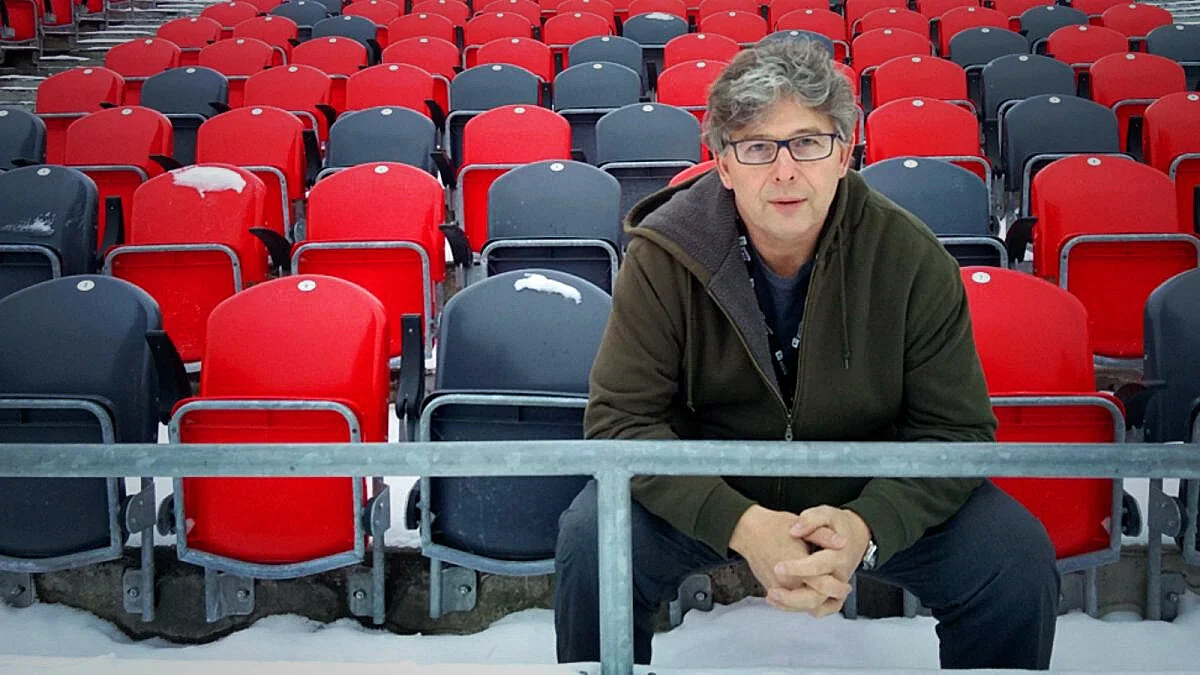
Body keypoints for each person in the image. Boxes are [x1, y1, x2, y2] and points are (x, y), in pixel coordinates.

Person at [553, 39, 1060, 669]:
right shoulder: (663, 256)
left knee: (1013, 556)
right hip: (715, 486)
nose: (786, 171)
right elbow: (620, 424)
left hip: (866, 486)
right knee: (593, 539)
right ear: (723, 163)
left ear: (845, 153)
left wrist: (867, 524)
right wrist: (742, 523)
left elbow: (956, 432)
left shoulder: (911, 258)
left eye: (808, 143)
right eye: (758, 147)